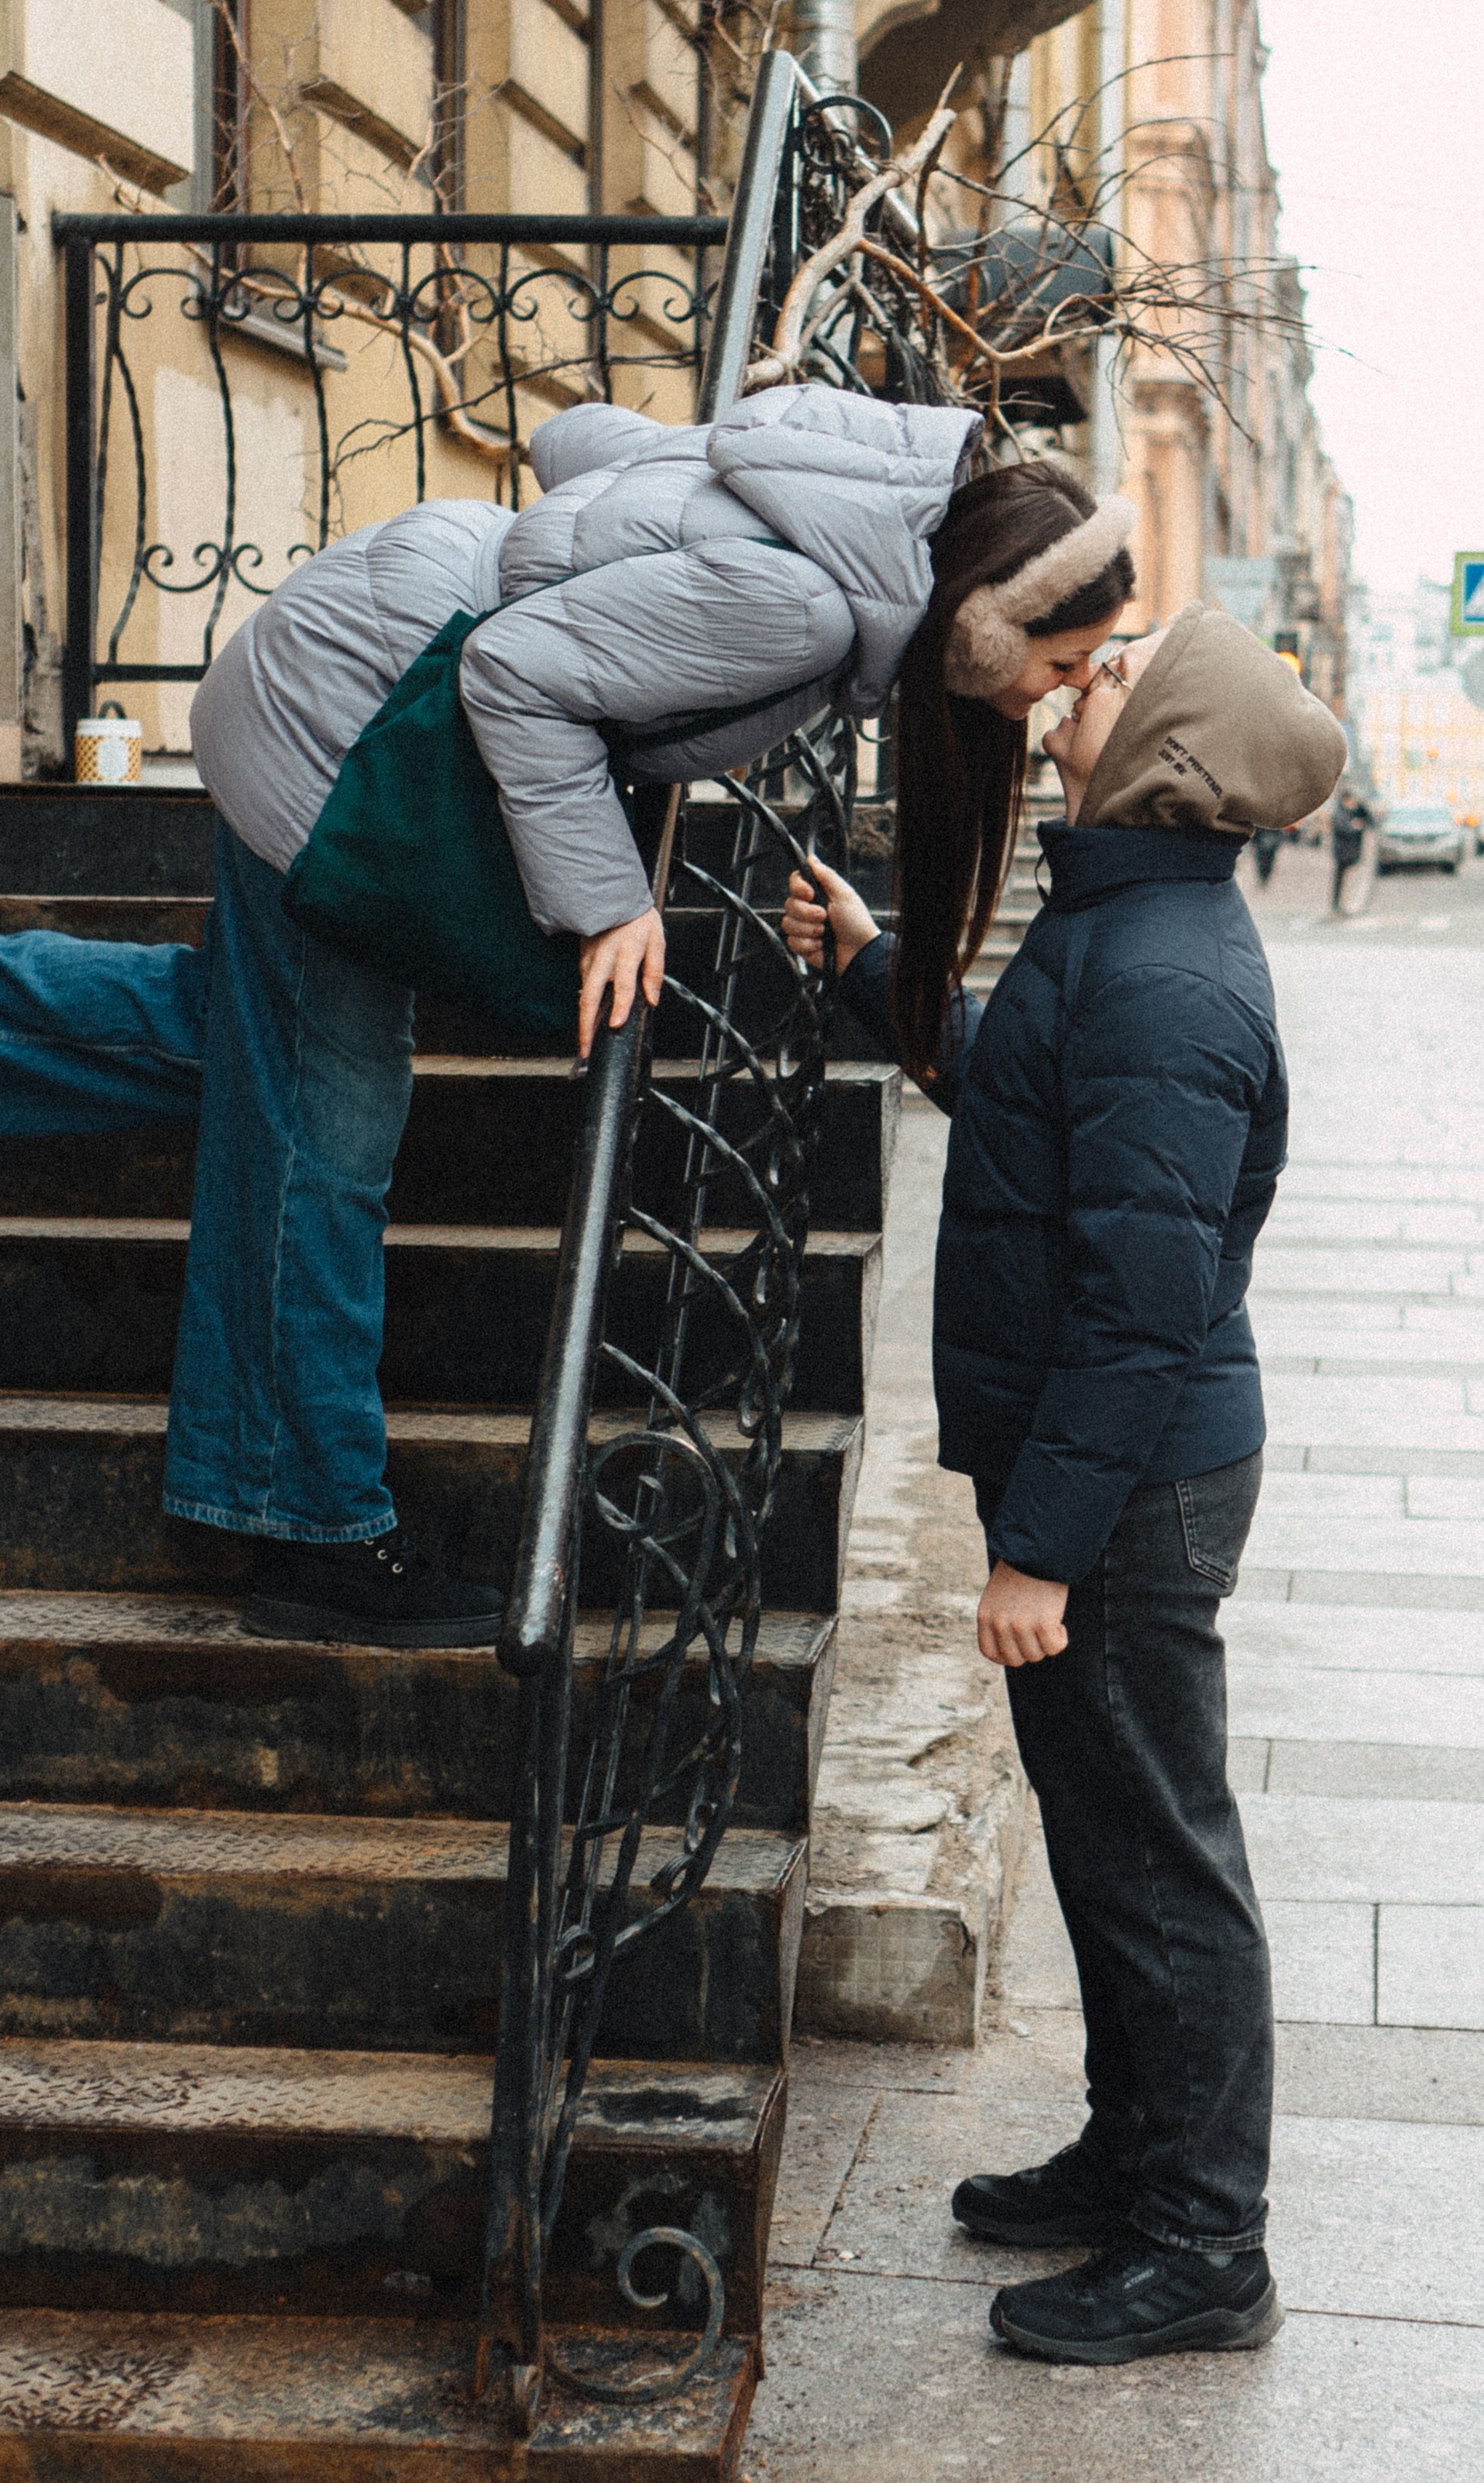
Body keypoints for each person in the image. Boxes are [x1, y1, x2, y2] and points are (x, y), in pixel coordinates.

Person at [0, 384, 1135, 1649]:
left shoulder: (823, 500)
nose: (1062, 691)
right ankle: (307, 1525)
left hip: (355, 651)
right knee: (327, 1132)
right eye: (1063, 661)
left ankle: (261, 1481)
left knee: (250, 1050)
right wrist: (610, 906)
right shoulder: (808, 604)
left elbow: (581, 440)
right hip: (346, 722)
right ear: (984, 621)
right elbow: (516, 668)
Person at [783, 602, 1346, 2366]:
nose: (1075, 682)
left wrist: (1037, 1548)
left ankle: (1203, 2245)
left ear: (1164, 743)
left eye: (1111, 676)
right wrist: (878, 967)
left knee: (1161, 1856)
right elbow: (1025, 1103)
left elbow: (1145, 1294)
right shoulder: (1118, 916)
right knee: (1106, 1842)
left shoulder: (1165, 971)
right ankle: (1135, 2150)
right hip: (1105, 1470)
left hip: (1128, 1485)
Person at [1330, 782, 1373, 911]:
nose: (1352, 803)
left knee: (1346, 878)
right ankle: (1337, 904)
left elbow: (1370, 820)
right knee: (1341, 878)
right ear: (1346, 800)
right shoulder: (1340, 812)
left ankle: (1342, 904)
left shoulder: (1355, 810)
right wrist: (1355, 827)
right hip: (1342, 852)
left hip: (1351, 852)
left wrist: (1362, 806)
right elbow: (1343, 827)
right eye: (1351, 801)